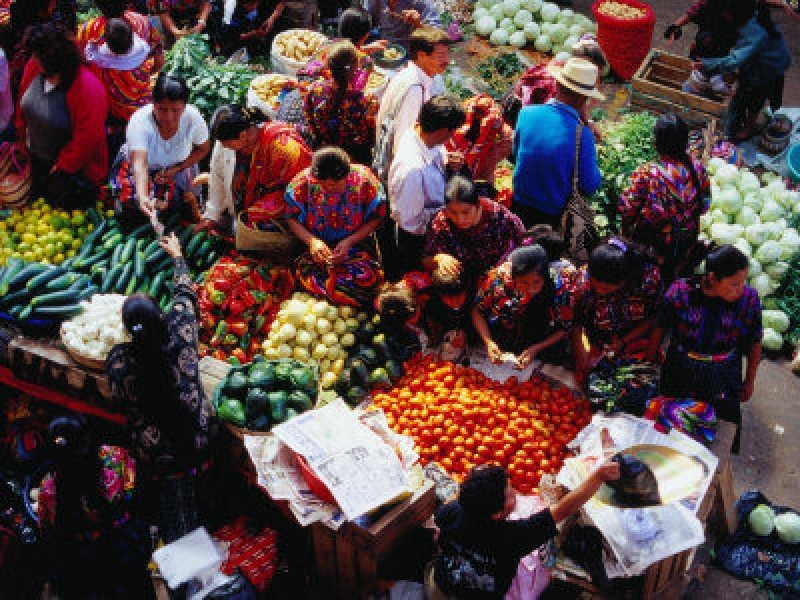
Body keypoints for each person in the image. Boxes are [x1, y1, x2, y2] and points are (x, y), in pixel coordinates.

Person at [107, 232, 215, 543]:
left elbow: (119, 401)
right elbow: (186, 294)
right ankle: (207, 512)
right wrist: (178, 257)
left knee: (174, 504)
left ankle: (179, 536)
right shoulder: (182, 329)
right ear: (162, 317)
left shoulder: (118, 362)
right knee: (202, 490)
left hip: (157, 456)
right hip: (199, 438)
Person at [427, 461, 620, 599]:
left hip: (443, 585)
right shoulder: (513, 537)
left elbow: (453, 502)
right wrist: (598, 476)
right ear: (497, 514)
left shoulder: (453, 510)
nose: (515, 493)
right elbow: (562, 510)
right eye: (510, 494)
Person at [650, 245, 762, 452]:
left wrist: (749, 380)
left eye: (743, 282)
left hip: (723, 373)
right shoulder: (680, 293)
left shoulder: (749, 300)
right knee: (671, 423)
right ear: (712, 278)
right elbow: (660, 325)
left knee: (719, 430)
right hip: (680, 368)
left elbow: (755, 341)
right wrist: (650, 359)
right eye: (734, 284)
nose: (741, 289)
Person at [36, 414, 154, 599]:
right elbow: (133, 492)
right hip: (123, 546)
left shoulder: (48, 489)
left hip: (83, 560)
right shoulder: (115, 458)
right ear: (88, 438)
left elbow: (46, 529)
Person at [16, 23, 109, 208]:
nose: (34, 59)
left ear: (56, 61)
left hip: (71, 173)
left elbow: (87, 138)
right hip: (37, 161)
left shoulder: (87, 88)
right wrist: (22, 143)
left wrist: (62, 166)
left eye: (38, 56)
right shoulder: (34, 67)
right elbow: (22, 106)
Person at [286, 147, 387, 307]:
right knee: (304, 281)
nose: (328, 189)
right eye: (323, 185)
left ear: (347, 175)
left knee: (367, 281)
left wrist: (349, 242)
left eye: (334, 185)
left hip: (356, 246)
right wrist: (312, 241)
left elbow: (377, 218)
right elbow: (291, 217)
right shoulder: (302, 184)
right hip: (314, 250)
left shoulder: (365, 182)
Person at [512, 57, 603, 229]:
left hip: (518, 203)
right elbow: (590, 185)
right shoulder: (582, 135)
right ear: (583, 99)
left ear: (557, 86)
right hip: (553, 217)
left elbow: (516, 155)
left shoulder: (526, 113)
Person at [619, 114, 710, 281]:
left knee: (648, 280)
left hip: (653, 245)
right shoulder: (698, 170)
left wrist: (625, 235)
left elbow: (628, 208)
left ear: (656, 142)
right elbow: (704, 207)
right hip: (685, 243)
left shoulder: (648, 173)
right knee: (672, 278)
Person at [110, 73, 210, 223]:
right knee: (132, 207)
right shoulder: (140, 122)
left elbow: (203, 149)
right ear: (153, 104)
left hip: (180, 165)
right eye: (162, 109)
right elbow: (139, 164)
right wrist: (143, 196)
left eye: (176, 110)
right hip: (143, 168)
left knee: (183, 206)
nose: (169, 117)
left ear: (184, 106)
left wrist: (178, 168)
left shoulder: (193, 119)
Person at [385, 94, 466, 278]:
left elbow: (438, 155)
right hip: (418, 240)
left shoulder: (423, 137)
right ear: (443, 131)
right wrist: (446, 216)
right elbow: (411, 223)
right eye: (451, 132)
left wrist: (449, 164)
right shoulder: (412, 169)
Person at [695, 0, 791, 141]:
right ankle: (746, 117)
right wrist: (782, 4)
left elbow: (735, 60)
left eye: (725, 15)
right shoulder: (750, 10)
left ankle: (749, 127)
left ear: (733, 14)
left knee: (755, 97)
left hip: (768, 67)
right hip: (763, 59)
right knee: (748, 89)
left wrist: (708, 64)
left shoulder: (754, 34)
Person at [206, 103, 311, 230]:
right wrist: (212, 215)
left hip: (289, 209)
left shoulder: (284, 149)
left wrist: (253, 214)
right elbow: (217, 174)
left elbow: (299, 188)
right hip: (251, 209)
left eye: (226, 143)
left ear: (243, 135)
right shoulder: (234, 142)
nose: (223, 146)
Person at [572, 239, 663, 387]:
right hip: (600, 341)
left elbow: (656, 318)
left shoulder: (647, 280)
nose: (600, 292)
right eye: (596, 287)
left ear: (625, 281)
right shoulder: (583, 282)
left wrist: (626, 343)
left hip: (637, 340)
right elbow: (576, 322)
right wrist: (581, 354)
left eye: (606, 289)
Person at [473, 245, 570, 369]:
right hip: (505, 338)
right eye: (523, 282)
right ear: (514, 277)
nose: (531, 289)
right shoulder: (498, 281)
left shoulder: (559, 287)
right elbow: (477, 310)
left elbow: (564, 327)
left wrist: (536, 348)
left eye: (537, 282)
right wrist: (489, 342)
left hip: (542, 340)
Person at [423, 176, 525, 291]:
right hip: (460, 288)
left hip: (498, 282)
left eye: (465, 212)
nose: (459, 219)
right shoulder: (440, 224)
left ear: (478, 205)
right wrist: (439, 258)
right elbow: (425, 260)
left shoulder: (500, 217)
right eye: (452, 212)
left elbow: (523, 244)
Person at [374, 26, 450, 180]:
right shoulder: (414, 89)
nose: (447, 61)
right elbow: (402, 143)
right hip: (404, 173)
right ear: (422, 56)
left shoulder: (411, 75)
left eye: (448, 54)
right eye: (441, 55)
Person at [503, 36, 607, 132]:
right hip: (517, 109)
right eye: (595, 73)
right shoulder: (555, 85)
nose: (596, 80)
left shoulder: (574, 78)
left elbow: (579, 105)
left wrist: (587, 124)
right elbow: (539, 118)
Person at [303, 40, 379, 165]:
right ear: (356, 68)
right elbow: (371, 136)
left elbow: (310, 121)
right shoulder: (367, 101)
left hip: (325, 153)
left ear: (328, 67)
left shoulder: (314, 92)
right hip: (355, 158)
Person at [76, 0, 165, 72]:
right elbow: (159, 61)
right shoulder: (143, 21)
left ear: (96, 4)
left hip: (105, 90)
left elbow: (83, 63)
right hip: (139, 85)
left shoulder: (86, 30)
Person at [220, 0, 287, 57]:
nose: (255, 6)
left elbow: (282, 2)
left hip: (248, 25)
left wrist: (271, 19)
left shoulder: (254, 8)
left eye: (257, 2)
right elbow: (228, 38)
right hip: (233, 36)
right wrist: (248, 35)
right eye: (252, 4)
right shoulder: (229, 11)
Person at [363, 0, 441, 49]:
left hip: (411, 52)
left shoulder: (423, 3)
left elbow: (437, 35)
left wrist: (418, 24)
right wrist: (363, 48)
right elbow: (365, 21)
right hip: (381, 47)